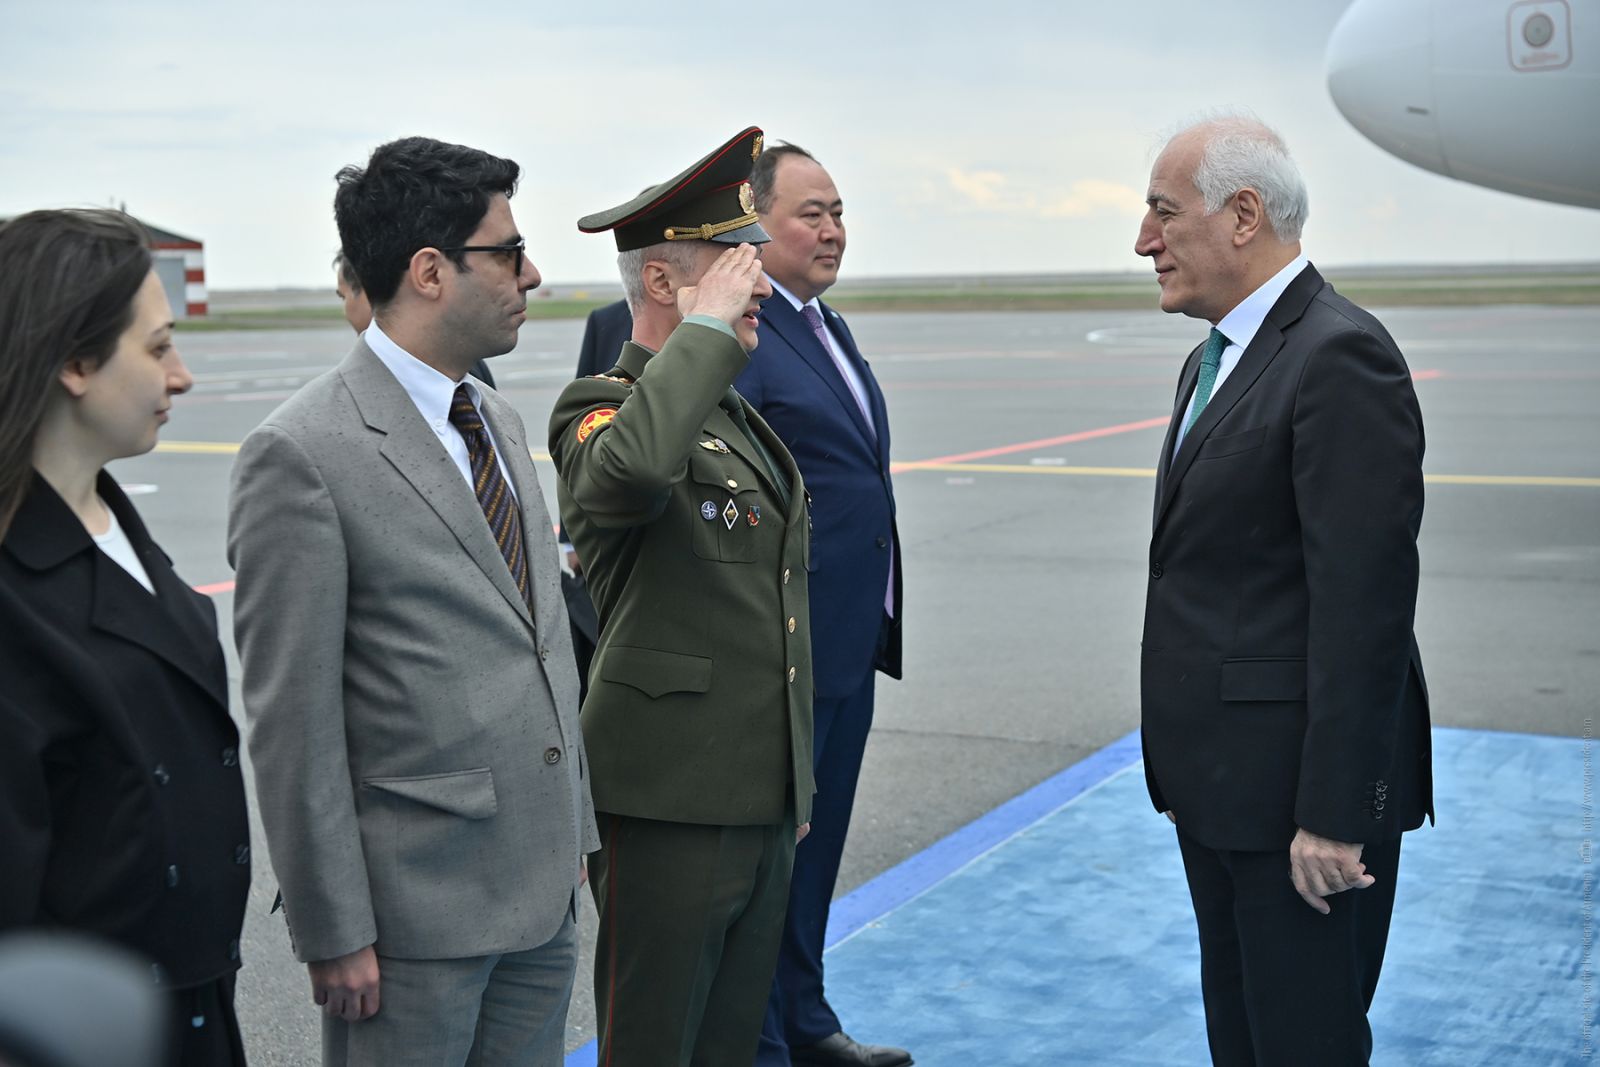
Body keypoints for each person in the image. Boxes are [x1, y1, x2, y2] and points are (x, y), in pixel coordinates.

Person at [228, 137, 596, 1067]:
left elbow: (537, 641)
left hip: (540, 893)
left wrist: (577, 834)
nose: (532, 274)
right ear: (430, 272)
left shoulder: (495, 418)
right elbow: (292, 718)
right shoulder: (303, 452)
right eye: (509, 253)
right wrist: (333, 926)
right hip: (413, 921)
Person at [1135, 114, 1433, 1066]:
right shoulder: (1212, 358)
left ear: (1243, 215)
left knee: (1305, 1045)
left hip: (1299, 816)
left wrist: (1335, 813)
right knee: (1243, 1042)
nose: (1144, 240)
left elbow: (1365, 609)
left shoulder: (1338, 354)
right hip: (1221, 793)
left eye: (1163, 212)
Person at [548, 126, 814, 1066]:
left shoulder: (729, 416)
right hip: (666, 803)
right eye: (735, 267)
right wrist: (704, 334)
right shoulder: (598, 407)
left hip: (757, 797)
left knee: (727, 1047)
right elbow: (628, 476)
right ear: (662, 283)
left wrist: (792, 783)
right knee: (654, 1046)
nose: (760, 287)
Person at [0, 208, 252, 1066]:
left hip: (194, 1002)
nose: (181, 375)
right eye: (157, 347)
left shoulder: (115, 525)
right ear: (75, 363)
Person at [739, 144, 908, 1067]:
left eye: (838, 211)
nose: (833, 229)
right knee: (774, 864)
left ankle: (804, 1017)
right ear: (755, 223)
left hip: (848, 639)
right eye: (812, 213)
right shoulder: (748, 330)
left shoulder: (824, 324)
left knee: (819, 850)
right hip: (787, 650)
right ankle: (765, 1039)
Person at [334, 250, 496, 387]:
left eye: (343, 297)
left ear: (369, 290)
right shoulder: (464, 360)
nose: (344, 311)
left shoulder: (396, 373)